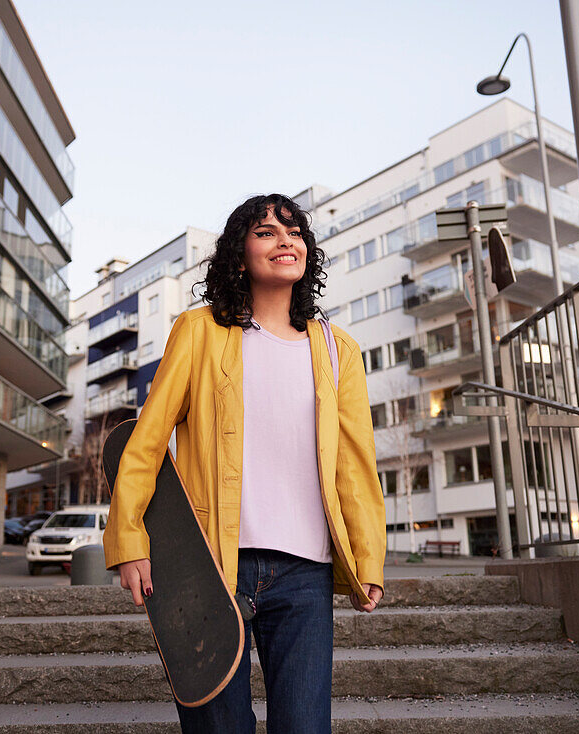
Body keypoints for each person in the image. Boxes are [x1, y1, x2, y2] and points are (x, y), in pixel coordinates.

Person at [104, 193, 386, 733]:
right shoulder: (200, 331)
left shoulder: (337, 351)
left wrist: (367, 557)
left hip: (305, 572)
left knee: (304, 726)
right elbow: (146, 441)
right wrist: (129, 540)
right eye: (266, 232)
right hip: (212, 567)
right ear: (238, 256)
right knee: (218, 726)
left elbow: (354, 464)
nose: (286, 240)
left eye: (294, 232)